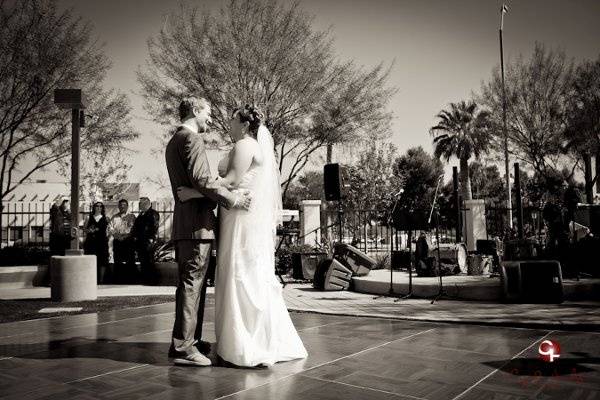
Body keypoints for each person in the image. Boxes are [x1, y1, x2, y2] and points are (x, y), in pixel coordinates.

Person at [178, 104, 307, 367]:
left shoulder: (246, 145)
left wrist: (194, 192)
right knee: (239, 271)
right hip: (234, 214)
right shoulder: (244, 145)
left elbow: (234, 180)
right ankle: (238, 339)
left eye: (234, 120)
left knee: (241, 273)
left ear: (246, 124)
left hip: (240, 218)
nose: (230, 123)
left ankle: (247, 343)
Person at [165, 97, 252, 367]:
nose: (211, 120)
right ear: (194, 110)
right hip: (195, 226)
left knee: (193, 285)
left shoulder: (174, 140)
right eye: (208, 113)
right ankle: (184, 348)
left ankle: (188, 340)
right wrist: (233, 200)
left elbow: (197, 183)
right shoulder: (191, 139)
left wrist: (196, 191)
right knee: (192, 285)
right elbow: (203, 180)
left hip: (188, 225)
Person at [131, 197, 160, 284]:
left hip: (148, 240)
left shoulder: (153, 214)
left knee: (149, 260)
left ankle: (152, 280)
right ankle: (146, 279)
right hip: (141, 241)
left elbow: (154, 226)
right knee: (143, 260)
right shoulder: (141, 214)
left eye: (141, 203)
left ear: (147, 204)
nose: (139, 205)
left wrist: (151, 238)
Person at [109, 199, 136, 283]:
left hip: (128, 241)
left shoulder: (132, 217)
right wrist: (118, 236)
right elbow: (110, 228)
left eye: (124, 205)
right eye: (120, 205)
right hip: (118, 241)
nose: (122, 206)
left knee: (130, 260)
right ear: (118, 206)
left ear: (127, 206)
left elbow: (134, 229)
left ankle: (131, 279)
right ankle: (118, 279)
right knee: (118, 260)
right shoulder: (114, 217)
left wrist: (126, 236)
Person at [83, 202, 110, 283]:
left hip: (102, 242)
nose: (99, 207)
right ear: (94, 207)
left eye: (100, 206)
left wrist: (107, 238)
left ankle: (101, 280)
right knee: (90, 259)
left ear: (102, 208)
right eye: (97, 206)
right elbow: (84, 229)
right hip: (91, 242)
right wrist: (89, 230)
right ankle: (91, 279)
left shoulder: (106, 218)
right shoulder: (88, 217)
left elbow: (109, 230)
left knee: (103, 260)